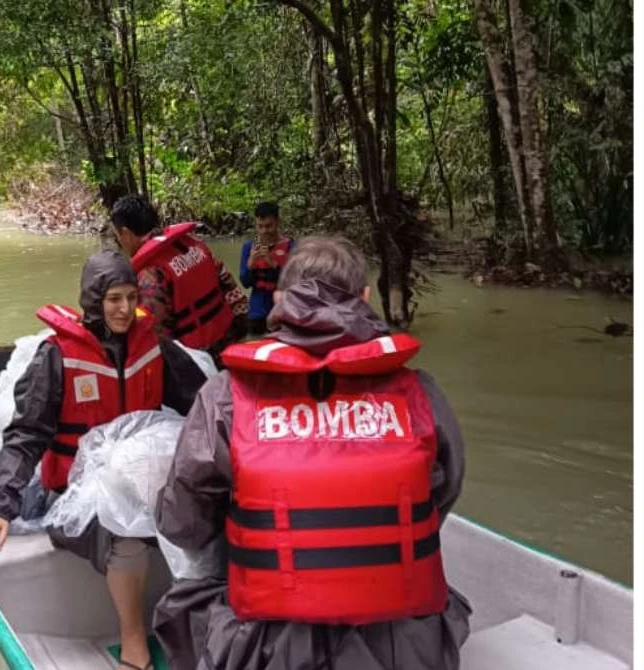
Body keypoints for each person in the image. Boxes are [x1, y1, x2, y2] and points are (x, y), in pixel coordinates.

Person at [152, 236, 471, 670]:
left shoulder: (226, 395)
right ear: (364, 297)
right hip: (406, 644)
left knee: (182, 602)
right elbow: (441, 497)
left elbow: (183, 526)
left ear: (281, 300)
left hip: (268, 647)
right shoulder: (420, 392)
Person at [0, 250, 208, 670]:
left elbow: (202, 406)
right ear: (93, 303)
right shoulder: (56, 357)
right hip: (75, 497)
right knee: (125, 538)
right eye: (113, 300)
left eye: (130, 297)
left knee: (203, 515)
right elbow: (25, 436)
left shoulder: (154, 348)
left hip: (140, 484)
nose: (125, 309)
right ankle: (133, 643)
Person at [109, 194, 248, 363]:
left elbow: (155, 335)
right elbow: (231, 288)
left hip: (199, 360)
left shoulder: (150, 274)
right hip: (229, 340)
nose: (118, 241)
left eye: (117, 235)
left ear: (126, 234)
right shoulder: (193, 243)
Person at [238, 201, 294, 335]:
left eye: (269, 226)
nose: (264, 231)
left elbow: (293, 282)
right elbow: (245, 283)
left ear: (278, 221)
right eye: (260, 226)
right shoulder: (249, 247)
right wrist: (251, 263)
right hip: (257, 309)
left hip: (281, 309)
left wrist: (271, 262)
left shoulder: (291, 246)